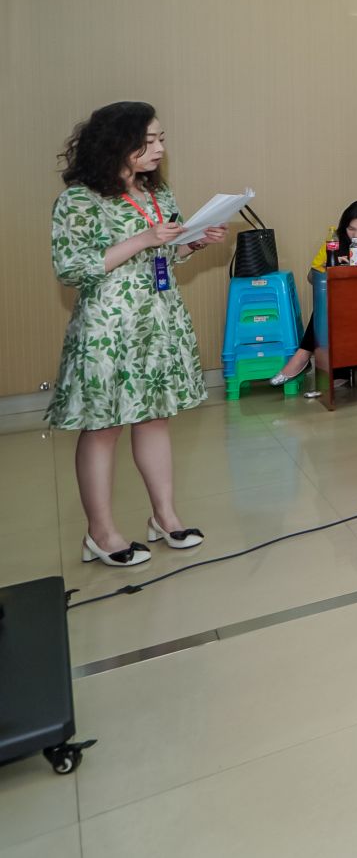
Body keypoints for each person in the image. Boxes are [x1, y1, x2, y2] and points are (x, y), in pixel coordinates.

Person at [50, 102, 228, 566]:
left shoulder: (156, 191)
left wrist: (192, 242)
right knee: (103, 428)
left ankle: (165, 516)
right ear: (118, 144)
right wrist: (144, 239)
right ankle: (101, 533)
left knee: (155, 418)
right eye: (148, 142)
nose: (159, 149)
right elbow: (72, 269)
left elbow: (164, 257)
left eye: (161, 139)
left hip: (156, 321)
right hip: (108, 329)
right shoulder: (80, 200)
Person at [270, 199, 357, 390]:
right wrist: (332, 268)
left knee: (334, 306)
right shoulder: (335, 241)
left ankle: (303, 356)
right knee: (329, 303)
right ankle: (318, 361)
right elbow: (312, 278)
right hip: (344, 303)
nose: (355, 235)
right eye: (351, 229)